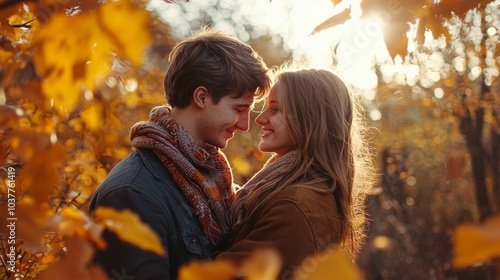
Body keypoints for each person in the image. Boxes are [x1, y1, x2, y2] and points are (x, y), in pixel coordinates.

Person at [88, 29, 271, 280]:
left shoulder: (208, 179)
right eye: (239, 109)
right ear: (202, 97)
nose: (244, 125)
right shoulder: (132, 195)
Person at [215, 67, 375, 279]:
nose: (260, 119)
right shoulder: (287, 189)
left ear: (310, 118)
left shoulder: (295, 206)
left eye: (275, 110)